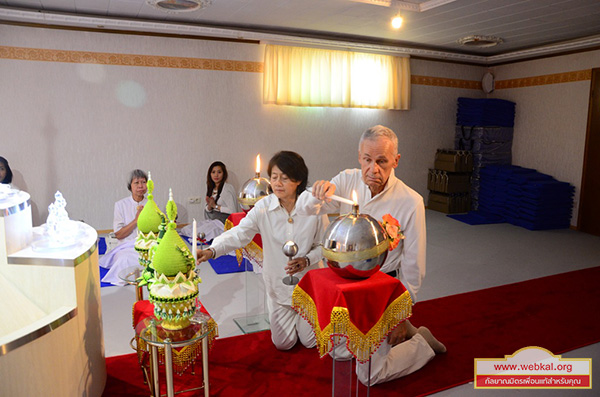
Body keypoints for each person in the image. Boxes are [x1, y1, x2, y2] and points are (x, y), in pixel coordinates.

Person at [296, 125, 446, 385]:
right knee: (338, 354)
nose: (372, 170)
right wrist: (316, 194)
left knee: (367, 375)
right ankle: (391, 338)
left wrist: (400, 316)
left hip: (381, 291)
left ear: (396, 161)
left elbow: (413, 265)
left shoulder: (410, 201)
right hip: (345, 283)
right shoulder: (346, 180)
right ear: (359, 157)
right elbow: (303, 209)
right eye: (367, 160)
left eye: (381, 162)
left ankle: (422, 342)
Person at [197, 151, 328, 350]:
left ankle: (310, 317)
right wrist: (211, 250)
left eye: (284, 178)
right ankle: (291, 318)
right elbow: (239, 233)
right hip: (278, 287)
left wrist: (306, 260)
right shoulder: (264, 207)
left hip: (308, 286)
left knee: (310, 342)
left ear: (298, 180)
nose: (277, 183)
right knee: (283, 344)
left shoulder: (314, 206)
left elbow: (323, 246)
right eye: (274, 177)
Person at [100, 169, 148, 285]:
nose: (141, 186)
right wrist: (136, 220)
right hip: (127, 246)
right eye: (136, 183)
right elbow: (119, 234)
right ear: (130, 186)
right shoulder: (120, 205)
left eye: (143, 182)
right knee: (125, 259)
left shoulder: (151, 204)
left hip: (146, 245)